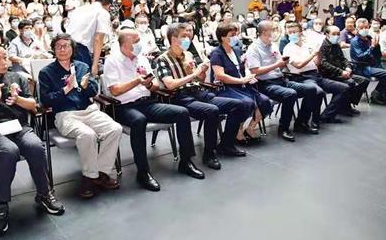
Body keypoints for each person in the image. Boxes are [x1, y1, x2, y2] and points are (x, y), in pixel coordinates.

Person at [0, 42, 64, 235]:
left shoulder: (16, 78)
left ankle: (44, 193)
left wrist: (18, 100)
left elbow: (33, 105)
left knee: (35, 146)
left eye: (5, 58)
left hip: (18, 127)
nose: (3, 62)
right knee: (9, 151)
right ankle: (1, 204)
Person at [102, 29, 204, 191]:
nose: (139, 44)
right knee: (139, 121)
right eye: (135, 41)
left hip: (147, 102)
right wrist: (137, 81)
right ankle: (143, 172)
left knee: (182, 113)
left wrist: (148, 84)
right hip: (124, 106)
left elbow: (155, 85)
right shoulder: (112, 61)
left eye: (139, 40)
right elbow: (115, 90)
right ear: (124, 45)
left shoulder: (142, 58)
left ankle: (186, 162)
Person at [39, 34, 122, 199]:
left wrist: (85, 86)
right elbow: (46, 100)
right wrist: (66, 89)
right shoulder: (46, 72)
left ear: (72, 49)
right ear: (53, 50)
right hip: (66, 114)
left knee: (115, 129)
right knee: (87, 135)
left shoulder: (82, 66)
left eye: (66, 46)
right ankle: (89, 177)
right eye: (58, 46)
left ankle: (101, 173)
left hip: (89, 110)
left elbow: (94, 91)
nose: (62, 49)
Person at [156, 23, 247, 169]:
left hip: (198, 92)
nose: (188, 39)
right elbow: (170, 84)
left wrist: (202, 72)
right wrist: (194, 74)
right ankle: (209, 153)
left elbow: (200, 79)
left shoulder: (188, 55)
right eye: (184, 36)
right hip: (180, 97)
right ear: (173, 39)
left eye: (188, 35)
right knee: (211, 111)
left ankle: (226, 144)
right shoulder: (163, 59)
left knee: (238, 105)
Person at [246, 20, 321, 141]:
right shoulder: (253, 48)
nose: (276, 32)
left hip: (281, 79)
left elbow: (280, 64)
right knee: (290, 94)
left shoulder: (273, 45)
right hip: (265, 84)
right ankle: (283, 128)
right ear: (265, 32)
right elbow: (255, 71)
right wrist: (277, 65)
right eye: (273, 29)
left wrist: (283, 63)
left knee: (311, 89)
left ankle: (301, 122)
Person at [210, 23, 271, 144]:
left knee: (264, 101)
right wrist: (241, 80)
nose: (235, 37)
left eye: (236, 34)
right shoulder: (216, 53)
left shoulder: (236, 50)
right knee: (246, 103)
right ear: (222, 37)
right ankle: (237, 132)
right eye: (232, 35)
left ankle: (250, 128)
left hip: (241, 85)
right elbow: (220, 75)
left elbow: (240, 70)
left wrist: (247, 77)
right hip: (225, 88)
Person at [284, 24, 352, 123]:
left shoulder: (306, 45)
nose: (292, 34)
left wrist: (318, 52)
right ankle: (306, 121)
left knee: (344, 88)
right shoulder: (288, 48)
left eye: (295, 32)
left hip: (316, 75)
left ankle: (326, 116)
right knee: (318, 92)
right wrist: (312, 54)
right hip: (302, 77)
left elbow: (317, 62)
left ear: (301, 33)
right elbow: (299, 65)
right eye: (290, 32)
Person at [318, 25, 369, 114]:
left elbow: (343, 59)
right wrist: (341, 71)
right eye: (334, 34)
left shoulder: (336, 45)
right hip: (329, 74)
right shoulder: (322, 46)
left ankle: (346, 104)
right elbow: (324, 63)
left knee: (364, 81)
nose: (336, 36)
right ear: (327, 34)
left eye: (338, 34)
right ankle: (344, 107)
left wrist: (348, 67)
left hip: (341, 72)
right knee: (350, 83)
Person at [350, 18, 386, 105]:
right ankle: (375, 95)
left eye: (366, 27)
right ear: (357, 28)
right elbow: (360, 57)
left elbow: (378, 55)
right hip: (362, 67)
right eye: (361, 28)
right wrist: (372, 47)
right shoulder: (355, 41)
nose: (364, 29)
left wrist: (377, 46)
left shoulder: (369, 38)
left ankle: (382, 93)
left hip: (374, 64)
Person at [67, 0, 113, 75]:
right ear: (109, 6)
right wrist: (95, 65)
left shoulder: (80, 9)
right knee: (84, 79)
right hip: (80, 49)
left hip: (67, 46)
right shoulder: (103, 12)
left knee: (70, 78)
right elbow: (98, 39)